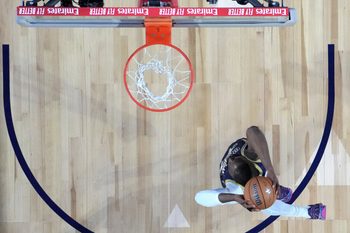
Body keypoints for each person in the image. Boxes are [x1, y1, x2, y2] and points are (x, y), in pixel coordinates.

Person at [195, 126, 326, 220]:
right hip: (241, 192)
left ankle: (278, 193)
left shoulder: (247, 155)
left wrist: (270, 169)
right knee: (262, 204)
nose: (230, 160)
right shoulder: (235, 189)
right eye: (231, 161)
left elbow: (253, 131)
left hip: (251, 177)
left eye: (232, 161)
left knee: (263, 202)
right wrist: (235, 199)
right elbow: (199, 198)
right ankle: (303, 210)